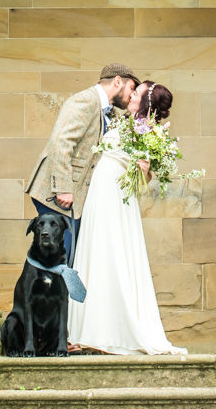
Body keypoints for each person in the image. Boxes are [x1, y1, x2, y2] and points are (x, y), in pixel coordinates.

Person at [67, 80, 185, 355]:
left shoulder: (144, 129)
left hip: (114, 195)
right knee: (95, 254)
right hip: (101, 192)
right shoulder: (126, 122)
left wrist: (144, 168)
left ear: (144, 100)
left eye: (137, 92)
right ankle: (86, 332)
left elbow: (144, 176)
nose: (131, 95)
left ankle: (110, 332)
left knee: (113, 254)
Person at [25, 62, 138, 255]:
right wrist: (63, 188)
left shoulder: (106, 109)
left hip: (74, 198)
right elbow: (61, 142)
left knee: (67, 260)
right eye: (131, 88)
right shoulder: (86, 100)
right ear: (118, 81)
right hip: (58, 196)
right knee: (58, 259)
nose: (131, 95)